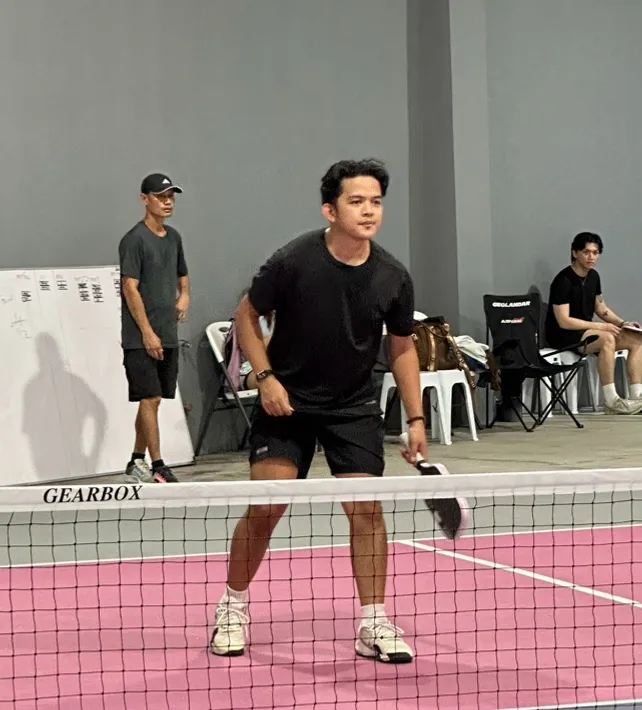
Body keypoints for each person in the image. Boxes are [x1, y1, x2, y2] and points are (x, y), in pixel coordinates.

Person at [210, 159, 427, 663]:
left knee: (367, 511)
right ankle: (232, 606)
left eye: (376, 202)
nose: (369, 211)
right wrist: (265, 377)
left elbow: (402, 347)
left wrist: (416, 419)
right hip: (287, 402)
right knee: (268, 505)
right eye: (357, 201)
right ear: (330, 210)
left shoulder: (393, 276)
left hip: (352, 407)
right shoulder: (294, 260)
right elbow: (246, 313)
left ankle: (373, 622)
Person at [119, 173, 191, 483]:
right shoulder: (134, 240)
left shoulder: (173, 237)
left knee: (154, 399)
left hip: (168, 333)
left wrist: (184, 295)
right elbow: (130, 288)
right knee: (150, 399)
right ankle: (158, 464)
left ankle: (136, 461)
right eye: (161, 196)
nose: (167, 202)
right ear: (144, 199)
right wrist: (147, 332)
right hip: (140, 338)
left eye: (170, 196)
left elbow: (182, 274)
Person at [545, 231, 642, 415]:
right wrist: (601, 326)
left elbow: (600, 308)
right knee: (607, 338)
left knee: (635, 338)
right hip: (563, 335)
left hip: (586, 330)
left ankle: (638, 397)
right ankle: (611, 400)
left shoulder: (593, 277)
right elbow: (564, 321)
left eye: (595, 252)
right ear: (575, 253)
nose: (591, 257)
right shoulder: (563, 281)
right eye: (586, 252)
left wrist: (623, 323)